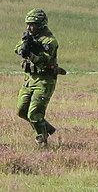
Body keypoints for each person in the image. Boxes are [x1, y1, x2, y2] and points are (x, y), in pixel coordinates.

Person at [14, 8, 64, 148]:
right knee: (21, 111)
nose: (29, 27)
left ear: (41, 24)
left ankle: (42, 142)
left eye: (33, 24)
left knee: (35, 113)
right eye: (28, 24)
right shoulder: (29, 37)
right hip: (29, 79)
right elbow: (17, 47)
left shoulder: (49, 41)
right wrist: (23, 49)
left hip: (44, 80)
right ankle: (46, 128)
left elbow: (44, 61)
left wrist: (31, 55)